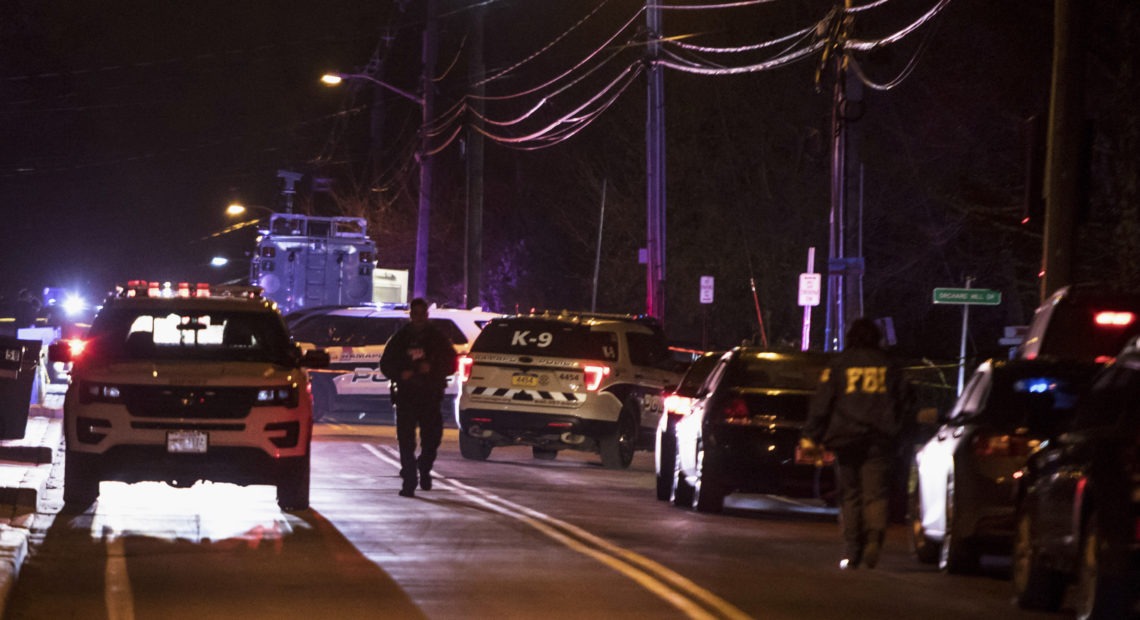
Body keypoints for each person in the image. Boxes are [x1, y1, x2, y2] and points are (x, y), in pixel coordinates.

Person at [803, 318, 908, 570]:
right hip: (881, 439)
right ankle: (874, 539)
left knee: (850, 494)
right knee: (876, 493)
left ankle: (853, 549)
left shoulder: (839, 365)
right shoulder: (890, 365)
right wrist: (901, 434)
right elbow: (905, 402)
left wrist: (811, 435)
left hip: (845, 437)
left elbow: (822, 403)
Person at [379, 298, 458, 498]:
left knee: (432, 439)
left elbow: (451, 363)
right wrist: (401, 373)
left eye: (422, 314)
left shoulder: (437, 338)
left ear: (427, 316)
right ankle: (409, 481)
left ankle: (424, 467)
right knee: (406, 442)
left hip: (430, 396)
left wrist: (432, 369)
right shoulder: (400, 338)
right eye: (415, 314)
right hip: (406, 396)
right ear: (411, 315)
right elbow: (386, 364)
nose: (419, 318)